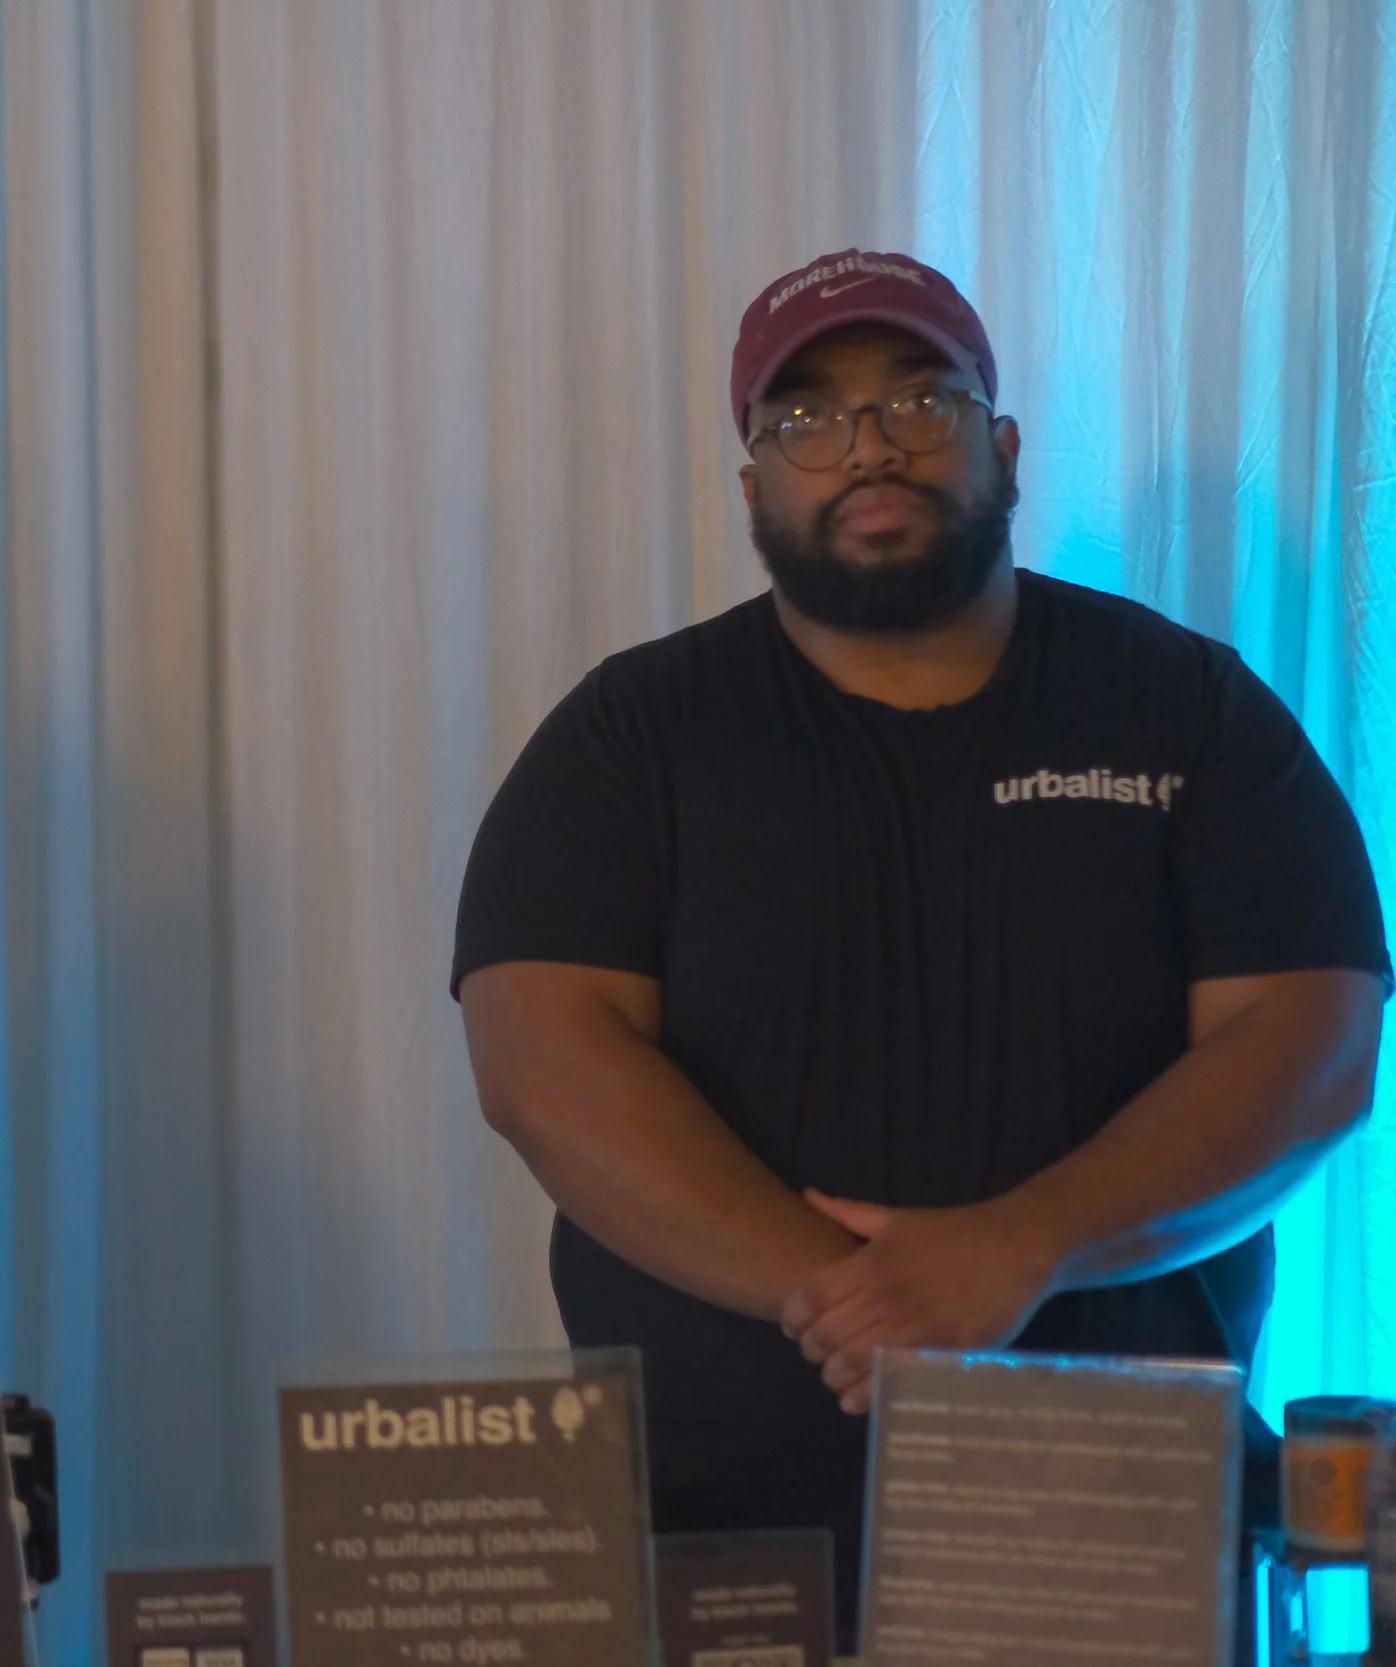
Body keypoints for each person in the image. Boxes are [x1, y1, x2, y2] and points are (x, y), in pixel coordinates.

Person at [452, 248, 1386, 1637]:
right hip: (714, 1537)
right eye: (806, 418)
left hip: (1115, 1514)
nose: (868, 446)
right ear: (753, 487)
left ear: (1000, 446)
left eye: (919, 400)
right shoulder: (631, 737)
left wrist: (1022, 1248)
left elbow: (1309, 1044)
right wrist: (856, 1299)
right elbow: (541, 1064)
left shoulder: (1186, 709)